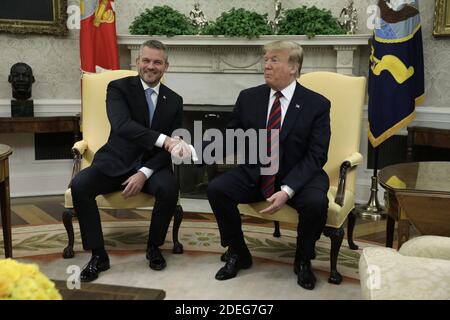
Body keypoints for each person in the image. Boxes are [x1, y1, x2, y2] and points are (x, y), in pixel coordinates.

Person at [207, 41, 331, 290]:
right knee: (217, 189)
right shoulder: (249, 98)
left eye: (274, 60)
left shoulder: (316, 104)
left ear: (293, 67)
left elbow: (316, 155)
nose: (266, 65)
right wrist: (194, 151)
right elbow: (231, 137)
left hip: (300, 175)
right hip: (258, 172)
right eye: (265, 59)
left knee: (316, 203)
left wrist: (288, 190)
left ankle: (303, 258)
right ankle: (238, 251)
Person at [71, 40, 185, 282]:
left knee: (169, 187)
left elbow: (175, 144)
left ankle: (154, 247)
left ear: (166, 66)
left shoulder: (175, 100)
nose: (151, 66)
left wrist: (144, 172)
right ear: (137, 62)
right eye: (146, 60)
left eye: (157, 62)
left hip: (152, 165)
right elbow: (122, 126)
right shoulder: (118, 88)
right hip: (116, 160)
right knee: (80, 186)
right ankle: (98, 255)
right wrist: (163, 139)